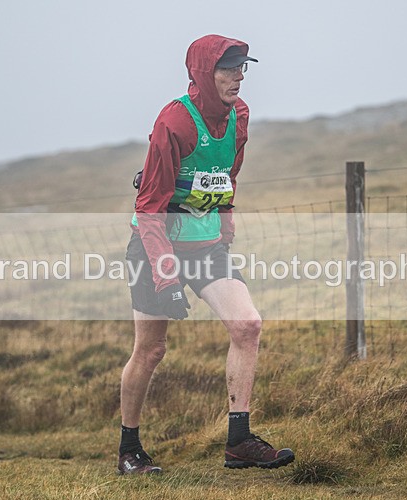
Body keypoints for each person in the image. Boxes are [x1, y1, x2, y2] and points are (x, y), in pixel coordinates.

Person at [118, 34, 294, 475]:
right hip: (155, 244)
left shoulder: (240, 116)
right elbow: (150, 207)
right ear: (203, 73)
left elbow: (227, 176)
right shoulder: (174, 122)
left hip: (207, 245)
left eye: (242, 68)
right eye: (228, 69)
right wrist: (165, 277)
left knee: (247, 325)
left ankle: (239, 441)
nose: (238, 77)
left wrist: (225, 227)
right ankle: (130, 450)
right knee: (151, 350)